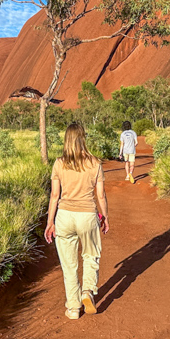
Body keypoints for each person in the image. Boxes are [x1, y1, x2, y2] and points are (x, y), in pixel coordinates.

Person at [45, 122, 110, 320]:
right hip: (87, 216)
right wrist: (105, 216)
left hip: (64, 216)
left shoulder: (59, 163)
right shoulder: (95, 163)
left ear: (67, 140)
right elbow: (100, 196)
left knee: (69, 265)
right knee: (91, 256)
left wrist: (50, 222)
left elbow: (55, 195)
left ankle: (73, 308)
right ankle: (87, 292)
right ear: (83, 139)